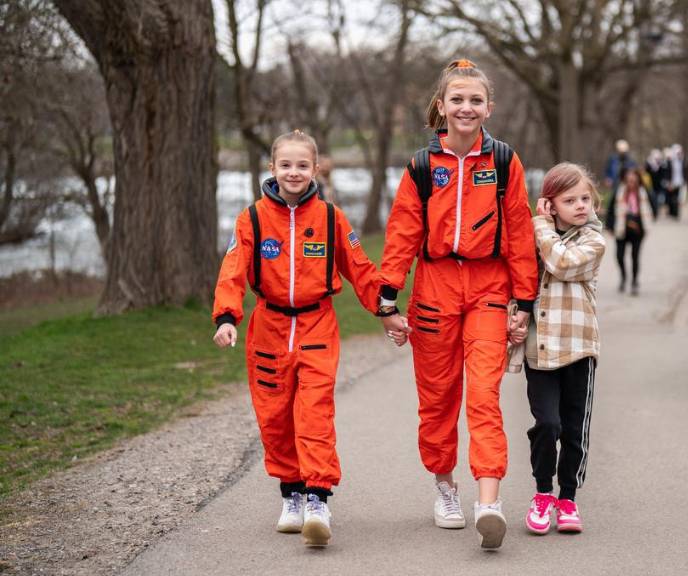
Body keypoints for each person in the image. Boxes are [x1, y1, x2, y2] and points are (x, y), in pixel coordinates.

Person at [377, 59, 538, 551]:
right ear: (441, 107)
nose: (466, 108)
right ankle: (445, 487)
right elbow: (403, 233)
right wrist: (388, 300)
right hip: (434, 289)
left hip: (488, 287)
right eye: (457, 99)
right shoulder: (422, 167)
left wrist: (523, 301)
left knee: (484, 396)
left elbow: (519, 233)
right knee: (439, 399)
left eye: (475, 100)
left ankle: (488, 500)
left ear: (488, 107)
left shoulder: (505, 162)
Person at [211, 130, 381, 547]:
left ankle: (319, 497)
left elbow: (359, 267)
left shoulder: (330, 218)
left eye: (302, 165)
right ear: (272, 169)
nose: (293, 172)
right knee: (275, 415)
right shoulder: (251, 219)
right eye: (285, 165)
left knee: (315, 412)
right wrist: (227, 317)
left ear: (315, 169)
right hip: (268, 329)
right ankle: (292, 494)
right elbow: (232, 270)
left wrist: (386, 310)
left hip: (317, 325)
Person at [522, 162, 606, 536]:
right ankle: (543, 493)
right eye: (570, 199)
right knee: (547, 424)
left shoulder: (593, 240)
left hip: (579, 347)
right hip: (541, 349)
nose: (581, 205)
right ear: (550, 204)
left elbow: (560, 262)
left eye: (585, 198)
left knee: (573, 429)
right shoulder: (533, 238)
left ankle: (568, 498)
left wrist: (540, 226)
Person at [612, 167, 654, 295]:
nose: (630, 183)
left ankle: (635, 281)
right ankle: (624, 277)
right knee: (619, 256)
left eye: (633, 181)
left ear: (637, 181)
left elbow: (653, 205)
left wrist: (648, 222)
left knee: (635, 256)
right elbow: (610, 209)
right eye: (628, 180)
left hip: (637, 228)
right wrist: (609, 226)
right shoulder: (619, 191)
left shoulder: (643, 192)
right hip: (621, 226)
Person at [603, 139, 637, 231]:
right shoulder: (612, 159)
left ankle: (630, 222)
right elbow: (608, 170)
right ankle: (610, 224)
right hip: (615, 184)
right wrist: (608, 178)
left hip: (626, 186)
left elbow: (634, 172)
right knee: (612, 203)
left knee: (628, 203)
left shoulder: (630, 161)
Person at [644, 148, 669, 216]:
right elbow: (646, 175)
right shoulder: (648, 164)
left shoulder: (662, 164)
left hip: (660, 186)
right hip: (651, 185)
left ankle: (657, 211)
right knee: (653, 199)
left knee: (660, 200)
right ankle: (654, 212)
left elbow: (664, 174)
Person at [665, 144, 685, 220]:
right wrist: (669, 183)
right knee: (671, 199)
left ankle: (676, 214)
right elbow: (668, 173)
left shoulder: (682, 161)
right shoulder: (670, 161)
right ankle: (672, 213)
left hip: (679, 182)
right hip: (672, 182)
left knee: (676, 199)